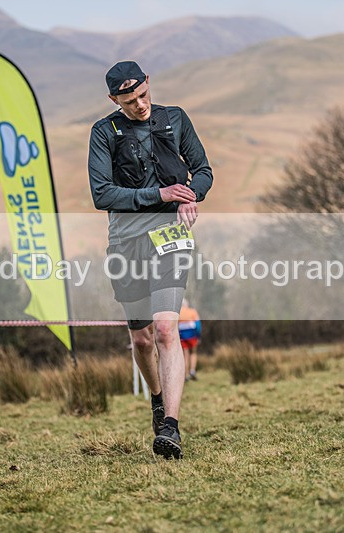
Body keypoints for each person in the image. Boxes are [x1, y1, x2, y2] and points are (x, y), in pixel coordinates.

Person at [88, 60, 213, 459]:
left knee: (164, 330)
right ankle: (157, 399)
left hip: (170, 237)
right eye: (129, 101)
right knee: (142, 339)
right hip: (126, 243)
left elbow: (203, 171)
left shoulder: (175, 119)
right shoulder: (103, 133)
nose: (140, 105)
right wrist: (158, 196)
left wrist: (191, 196)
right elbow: (102, 194)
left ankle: (171, 429)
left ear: (147, 84)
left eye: (143, 95)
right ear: (114, 100)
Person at [179, 298, 202, 381]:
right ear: (186, 304)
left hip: (182, 335)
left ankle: (186, 374)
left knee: (185, 354)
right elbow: (198, 324)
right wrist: (198, 335)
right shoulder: (192, 311)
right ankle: (192, 370)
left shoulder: (178, 313)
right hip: (192, 334)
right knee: (193, 352)